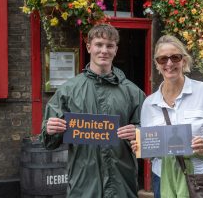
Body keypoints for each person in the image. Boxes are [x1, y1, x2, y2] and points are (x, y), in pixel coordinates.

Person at [40, 24, 145, 198]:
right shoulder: (68, 91)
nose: (104, 50)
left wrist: (138, 133)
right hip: (84, 184)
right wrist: (50, 130)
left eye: (109, 46)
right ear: (89, 47)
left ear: (116, 50)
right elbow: (48, 142)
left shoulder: (133, 92)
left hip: (121, 183)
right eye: (99, 44)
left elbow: (150, 135)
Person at [132, 35, 203, 197]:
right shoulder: (149, 104)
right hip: (163, 178)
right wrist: (141, 147)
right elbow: (150, 151)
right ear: (157, 64)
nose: (169, 63)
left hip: (201, 177)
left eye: (175, 57)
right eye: (162, 59)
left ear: (184, 61)